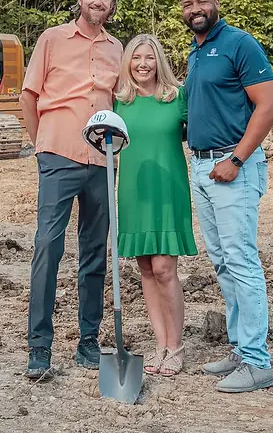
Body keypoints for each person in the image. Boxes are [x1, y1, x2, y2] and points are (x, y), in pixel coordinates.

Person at [19, 0, 124, 380]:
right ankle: (39, 347)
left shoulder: (118, 49)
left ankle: (88, 342)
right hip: (58, 156)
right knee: (48, 245)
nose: (98, 1)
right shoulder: (52, 39)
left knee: (95, 251)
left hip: (102, 161)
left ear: (112, 6)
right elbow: (29, 96)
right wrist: (41, 146)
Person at [181, 0, 273, 393]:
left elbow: (269, 105)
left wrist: (236, 159)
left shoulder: (240, 43)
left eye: (202, 1)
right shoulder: (197, 52)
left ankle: (258, 362)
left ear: (216, 4)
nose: (195, 8)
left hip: (232, 167)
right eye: (187, 4)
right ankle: (241, 349)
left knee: (241, 261)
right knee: (222, 263)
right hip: (202, 167)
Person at [112, 34, 197, 377]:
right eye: (136, 58)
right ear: (127, 63)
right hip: (134, 192)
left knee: (164, 269)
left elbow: (201, 131)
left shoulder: (177, 98)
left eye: (149, 58)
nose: (142, 64)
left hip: (168, 190)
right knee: (145, 269)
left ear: (158, 61)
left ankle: (176, 345)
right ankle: (160, 343)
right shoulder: (119, 102)